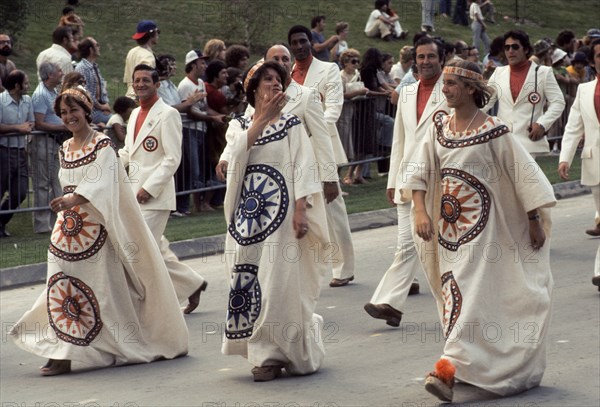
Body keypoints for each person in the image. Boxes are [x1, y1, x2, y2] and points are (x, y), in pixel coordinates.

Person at [9, 86, 189, 376]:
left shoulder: (103, 145)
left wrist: (76, 198)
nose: (69, 117)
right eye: (64, 113)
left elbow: (103, 182)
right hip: (65, 232)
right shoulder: (64, 147)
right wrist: (67, 204)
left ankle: (112, 343)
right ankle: (62, 352)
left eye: (74, 111)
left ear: (86, 111)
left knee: (101, 293)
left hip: (98, 230)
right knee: (60, 287)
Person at [405, 60, 556, 401]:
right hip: (449, 233)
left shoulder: (494, 130)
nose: (444, 90)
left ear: (471, 89)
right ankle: (474, 365)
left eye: (451, 84)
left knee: (472, 297)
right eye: (444, 84)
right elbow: (418, 167)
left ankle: (447, 370)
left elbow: (524, 176)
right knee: (453, 296)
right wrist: (419, 211)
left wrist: (533, 220)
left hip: (489, 235)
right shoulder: (438, 127)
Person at [221, 60, 327, 382]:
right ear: (253, 90)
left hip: (282, 222)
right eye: (267, 80)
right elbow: (228, 161)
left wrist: (300, 210)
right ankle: (261, 349)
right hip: (248, 222)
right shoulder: (238, 125)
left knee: (277, 284)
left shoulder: (292, 125)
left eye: (279, 80)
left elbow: (303, 167)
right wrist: (261, 120)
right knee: (248, 281)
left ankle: (270, 357)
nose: (275, 84)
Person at [364, 36, 448, 326]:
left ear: (442, 59)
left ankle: (393, 302)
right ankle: (390, 303)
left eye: (431, 57)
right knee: (406, 243)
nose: (425, 62)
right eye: (420, 57)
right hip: (407, 180)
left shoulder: (451, 92)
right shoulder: (408, 92)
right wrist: (392, 179)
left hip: (439, 181)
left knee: (433, 248)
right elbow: (399, 138)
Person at [119, 64, 208, 314]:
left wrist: (150, 187)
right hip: (133, 194)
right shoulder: (135, 114)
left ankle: (152, 305)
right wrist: (106, 162)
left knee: (137, 250)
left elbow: (172, 158)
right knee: (153, 249)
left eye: (146, 80)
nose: (140, 84)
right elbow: (128, 151)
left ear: (157, 84)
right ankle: (192, 284)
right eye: (136, 80)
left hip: (154, 197)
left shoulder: (168, 114)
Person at [289, 25, 356, 287]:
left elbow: (333, 108)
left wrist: (310, 131)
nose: (298, 46)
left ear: (311, 43)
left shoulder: (327, 70)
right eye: (294, 42)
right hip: (291, 148)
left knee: (331, 206)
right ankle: (306, 267)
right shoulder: (286, 74)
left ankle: (344, 267)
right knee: (299, 205)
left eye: (303, 41)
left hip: (320, 145)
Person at [558, 38, 600, 289]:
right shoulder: (584, 91)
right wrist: (565, 158)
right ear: (593, 60)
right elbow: (573, 127)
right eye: (599, 55)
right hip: (594, 163)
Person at [485, 30, 565, 155]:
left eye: (515, 47)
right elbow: (485, 103)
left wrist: (542, 124)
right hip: (502, 142)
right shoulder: (498, 73)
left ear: (526, 49)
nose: (510, 51)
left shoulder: (543, 72)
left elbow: (558, 102)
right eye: (507, 47)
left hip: (529, 142)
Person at [31, 62, 68, 234]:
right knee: (43, 184)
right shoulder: (40, 95)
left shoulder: (53, 92)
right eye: (59, 71)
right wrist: (62, 127)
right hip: (43, 142)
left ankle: (58, 220)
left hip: (54, 142)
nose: (62, 73)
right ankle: (41, 224)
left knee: (57, 181)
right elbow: (39, 123)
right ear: (50, 75)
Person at [0, 70, 33, 237]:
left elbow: (31, 122)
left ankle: (2, 220)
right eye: (25, 83)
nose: (28, 86)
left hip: (20, 152)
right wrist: (16, 128)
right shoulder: (1, 101)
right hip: (4, 151)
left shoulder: (27, 101)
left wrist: (28, 127)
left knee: (20, 192)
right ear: (17, 86)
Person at [337, 48, 369, 185]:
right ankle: (335, 180)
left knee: (348, 148)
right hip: (342, 115)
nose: (356, 64)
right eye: (353, 61)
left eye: (358, 61)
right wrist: (357, 92)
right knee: (340, 148)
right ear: (345, 62)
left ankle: (342, 178)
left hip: (352, 114)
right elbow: (340, 95)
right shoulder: (340, 76)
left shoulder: (357, 74)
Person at [75, 37, 111, 125]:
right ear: (91, 50)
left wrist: (106, 106)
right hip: (91, 112)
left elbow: (102, 90)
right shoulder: (82, 68)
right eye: (97, 45)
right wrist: (102, 107)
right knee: (116, 121)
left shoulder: (94, 66)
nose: (99, 47)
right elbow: (85, 92)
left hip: (100, 110)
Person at [123, 20, 159, 99]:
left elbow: (127, 81)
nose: (158, 35)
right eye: (157, 32)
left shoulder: (132, 52)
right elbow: (145, 81)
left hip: (129, 97)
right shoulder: (148, 57)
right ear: (151, 34)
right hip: (140, 99)